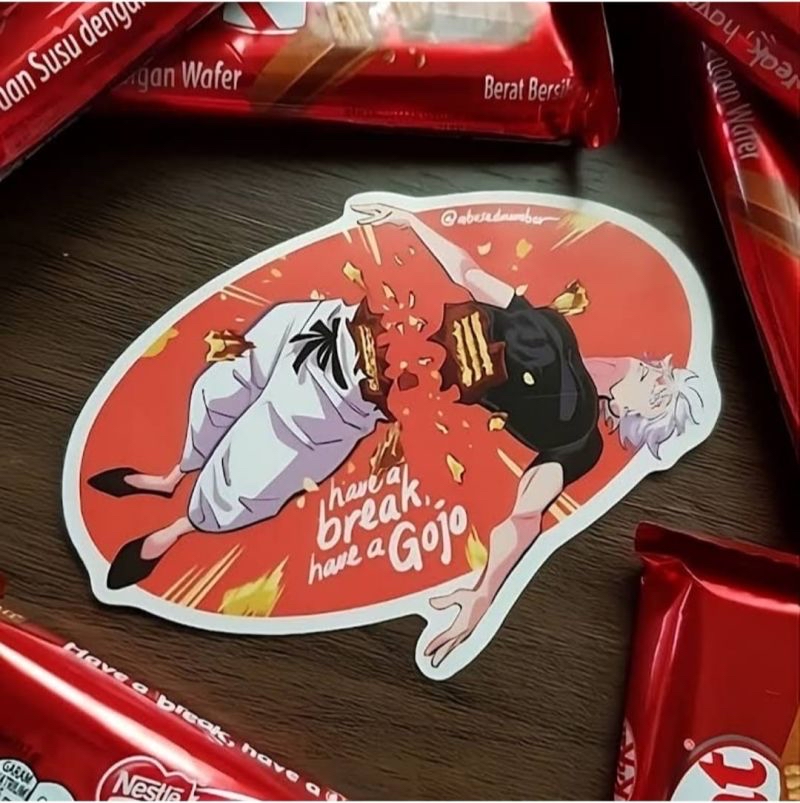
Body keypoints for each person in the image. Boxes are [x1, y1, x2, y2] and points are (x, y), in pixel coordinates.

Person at [90, 203, 703, 666]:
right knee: (224, 383)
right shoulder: (557, 328)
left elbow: (525, 516)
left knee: (245, 478)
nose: (652, 372)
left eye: (659, 390)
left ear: (634, 419)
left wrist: (484, 594)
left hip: (351, 394)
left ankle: (173, 531)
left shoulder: (579, 438)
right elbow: (469, 273)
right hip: (340, 320)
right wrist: (411, 220)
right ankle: (170, 474)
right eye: (662, 371)